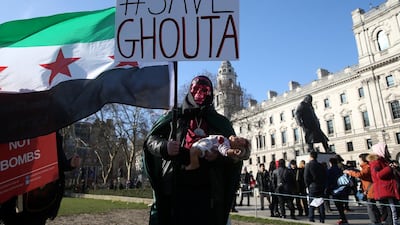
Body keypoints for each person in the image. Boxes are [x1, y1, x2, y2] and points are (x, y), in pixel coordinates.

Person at [143, 75, 242, 225]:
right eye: (196, 89)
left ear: (211, 93)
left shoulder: (221, 123)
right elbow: (151, 140)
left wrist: (218, 157)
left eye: (205, 90)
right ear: (189, 91)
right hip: (176, 187)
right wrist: (164, 147)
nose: (199, 94)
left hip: (208, 192)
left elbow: (233, 154)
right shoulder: (174, 116)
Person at [0, 131, 80, 225]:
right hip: (12, 195)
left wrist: (70, 164)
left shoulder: (51, 133)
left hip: (39, 199)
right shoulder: (9, 128)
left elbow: (58, 163)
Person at [344, 153, 381, 225]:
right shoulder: (367, 166)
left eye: (360, 160)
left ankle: (375, 221)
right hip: (369, 188)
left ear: (364, 160)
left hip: (370, 190)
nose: (359, 161)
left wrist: (349, 172)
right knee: (372, 206)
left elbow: (360, 175)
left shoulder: (367, 167)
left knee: (370, 207)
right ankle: (378, 219)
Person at [368, 143, 399, 225]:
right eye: (385, 149)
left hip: (389, 190)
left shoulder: (384, 161)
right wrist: (389, 168)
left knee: (392, 212)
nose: (387, 151)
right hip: (386, 191)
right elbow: (378, 175)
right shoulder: (376, 162)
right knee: (392, 213)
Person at [186, 134, 250, 170]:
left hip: (206, 146)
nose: (236, 138)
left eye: (238, 141)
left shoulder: (225, 143)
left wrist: (233, 152)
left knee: (193, 151)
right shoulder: (225, 139)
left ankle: (194, 164)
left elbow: (224, 150)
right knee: (192, 150)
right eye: (239, 138)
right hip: (202, 143)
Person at [304, 151, 326, 223]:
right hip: (320, 185)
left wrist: (307, 185)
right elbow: (324, 175)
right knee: (320, 202)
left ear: (310, 156)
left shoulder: (308, 165)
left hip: (312, 186)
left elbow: (306, 177)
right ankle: (322, 218)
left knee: (312, 203)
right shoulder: (320, 165)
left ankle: (311, 218)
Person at [327, 157, 349, 225]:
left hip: (335, 189)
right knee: (341, 205)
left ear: (330, 163)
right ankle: (343, 218)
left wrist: (328, 189)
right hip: (342, 188)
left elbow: (329, 180)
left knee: (338, 205)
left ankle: (342, 218)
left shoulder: (330, 170)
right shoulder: (340, 169)